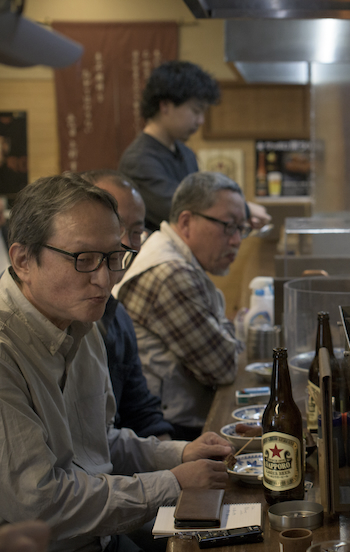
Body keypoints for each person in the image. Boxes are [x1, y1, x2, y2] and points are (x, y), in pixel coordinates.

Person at [0, 173, 231, 552]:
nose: (104, 280)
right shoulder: (6, 348)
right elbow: (39, 506)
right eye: (84, 259)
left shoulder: (80, 318)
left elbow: (94, 443)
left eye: (112, 257)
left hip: (101, 532)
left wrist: (181, 452)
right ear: (24, 259)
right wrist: (173, 482)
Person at [115, 171, 246, 440]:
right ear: (186, 222)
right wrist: (226, 335)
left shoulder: (173, 254)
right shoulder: (170, 274)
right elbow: (223, 366)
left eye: (242, 229)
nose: (236, 240)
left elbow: (223, 348)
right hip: (164, 431)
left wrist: (224, 336)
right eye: (229, 226)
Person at [118, 60, 270, 232]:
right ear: (165, 105)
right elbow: (181, 208)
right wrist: (244, 209)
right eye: (196, 110)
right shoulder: (138, 160)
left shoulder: (185, 152)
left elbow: (198, 199)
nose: (200, 121)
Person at [82, 169, 175, 439]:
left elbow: (141, 412)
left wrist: (177, 456)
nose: (126, 243)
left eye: (136, 232)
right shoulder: (60, 319)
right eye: (115, 226)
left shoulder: (117, 315)